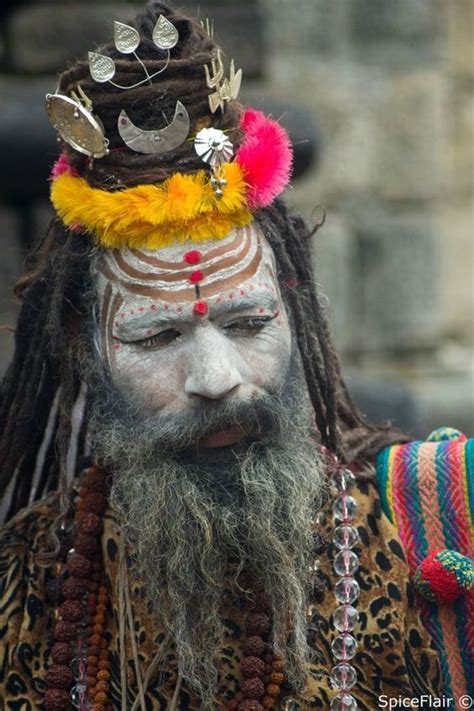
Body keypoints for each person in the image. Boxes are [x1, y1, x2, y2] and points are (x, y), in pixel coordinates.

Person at [0, 2, 472, 710]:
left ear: (295, 306)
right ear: (84, 344)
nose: (216, 378)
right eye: (157, 336)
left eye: (249, 322)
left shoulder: (441, 525)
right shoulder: (26, 578)